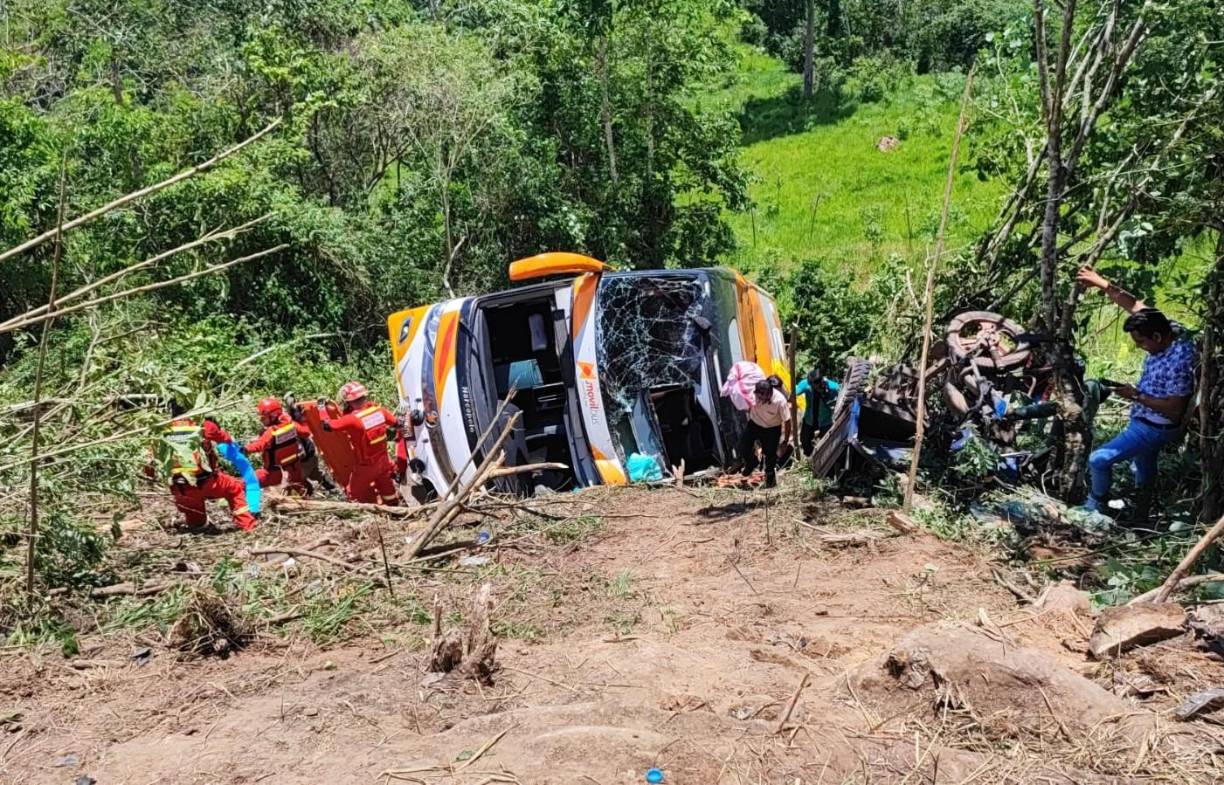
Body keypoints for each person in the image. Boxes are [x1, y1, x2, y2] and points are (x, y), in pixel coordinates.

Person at [1076, 266, 1196, 520]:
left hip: (1155, 426)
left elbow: (1174, 410)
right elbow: (1133, 305)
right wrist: (1100, 283)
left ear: (1157, 336)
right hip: (1147, 417)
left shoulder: (1180, 359)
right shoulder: (1167, 327)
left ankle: (1096, 504)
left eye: (1142, 343)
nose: (1140, 348)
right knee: (1144, 463)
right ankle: (1141, 507)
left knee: (1099, 460)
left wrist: (1136, 396)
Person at [152, 414, 257, 531]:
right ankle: (247, 526)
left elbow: (151, 460)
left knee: (197, 522)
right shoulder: (203, 425)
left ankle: (197, 525)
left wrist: (151, 476)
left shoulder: (160, 429)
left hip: (181, 489)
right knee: (235, 488)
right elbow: (225, 438)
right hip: (207, 482)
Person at [319, 381, 401, 505]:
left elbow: (326, 425)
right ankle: (395, 510)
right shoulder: (380, 411)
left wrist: (321, 408)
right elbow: (397, 424)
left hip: (366, 466)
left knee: (353, 492)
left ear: (349, 402)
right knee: (387, 489)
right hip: (383, 461)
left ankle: (365, 513)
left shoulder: (352, 420)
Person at [244, 396, 314, 495]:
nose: (261, 420)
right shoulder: (292, 424)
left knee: (247, 482)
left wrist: (245, 449)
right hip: (294, 467)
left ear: (273, 416)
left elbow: (260, 445)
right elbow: (306, 432)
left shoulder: (271, 432)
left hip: (274, 472)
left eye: (263, 417)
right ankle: (305, 494)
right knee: (299, 489)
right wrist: (303, 420)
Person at [737, 378, 793, 489]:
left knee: (770, 456)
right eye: (759, 396)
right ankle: (752, 463)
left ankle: (770, 482)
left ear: (769, 393)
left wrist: (785, 441)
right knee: (742, 447)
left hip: (771, 429)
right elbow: (746, 405)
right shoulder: (754, 395)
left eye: (764, 396)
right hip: (754, 424)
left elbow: (787, 421)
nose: (761, 399)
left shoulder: (780, 401)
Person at [794, 369, 840, 455]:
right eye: (810, 384)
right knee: (804, 441)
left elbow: (842, 398)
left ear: (820, 382)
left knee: (826, 445)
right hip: (809, 420)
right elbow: (794, 393)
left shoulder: (833, 387)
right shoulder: (806, 384)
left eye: (813, 385)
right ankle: (809, 457)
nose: (811, 386)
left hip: (825, 421)